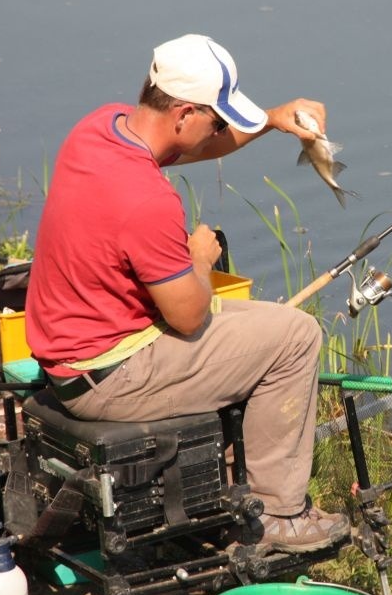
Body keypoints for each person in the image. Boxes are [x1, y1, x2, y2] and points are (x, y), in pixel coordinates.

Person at [25, 34, 348, 553]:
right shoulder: (146, 200)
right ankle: (278, 517)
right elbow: (191, 317)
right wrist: (199, 256)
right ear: (183, 113)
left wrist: (269, 118)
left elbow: (191, 147)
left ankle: (218, 489)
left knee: (261, 323)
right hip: (110, 377)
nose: (218, 132)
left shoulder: (100, 128)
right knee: (296, 336)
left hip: (70, 355)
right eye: (217, 120)